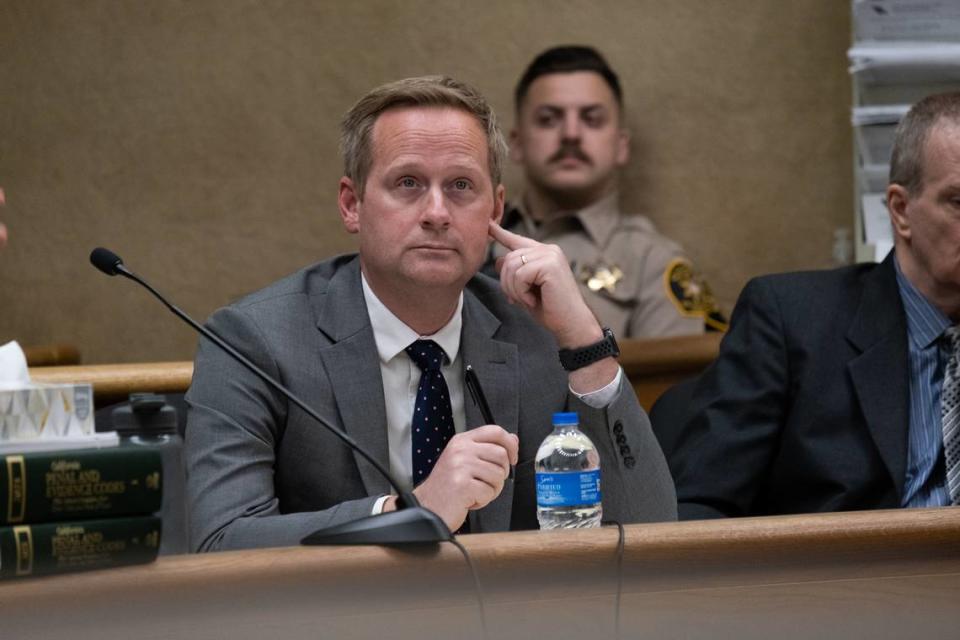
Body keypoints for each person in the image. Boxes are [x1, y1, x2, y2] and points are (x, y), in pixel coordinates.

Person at [185, 76, 677, 552]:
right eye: (408, 183)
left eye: (461, 185)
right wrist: (410, 511)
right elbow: (221, 541)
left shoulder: (537, 333)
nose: (437, 212)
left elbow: (654, 527)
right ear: (352, 205)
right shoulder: (255, 340)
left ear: (496, 210)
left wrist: (586, 343)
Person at [666, 92, 960, 519]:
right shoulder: (792, 322)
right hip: (846, 576)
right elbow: (700, 506)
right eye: (959, 201)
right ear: (900, 210)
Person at [483, 45, 726, 338]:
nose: (571, 134)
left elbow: (671, 379)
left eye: (592, 119)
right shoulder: (471, 240)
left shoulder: (653, 263)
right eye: (548, 119)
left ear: (621, 145)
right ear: (517, 143)